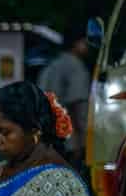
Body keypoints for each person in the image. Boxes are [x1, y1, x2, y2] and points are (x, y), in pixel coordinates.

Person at [38, 32, 91, 164]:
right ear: (75, 44)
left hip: (47, 138)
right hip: (68, 142)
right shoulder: (76, 67)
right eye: (84, 42)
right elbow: (78, 107)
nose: (88, 46)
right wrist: (82, 143)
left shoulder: (51, 66)